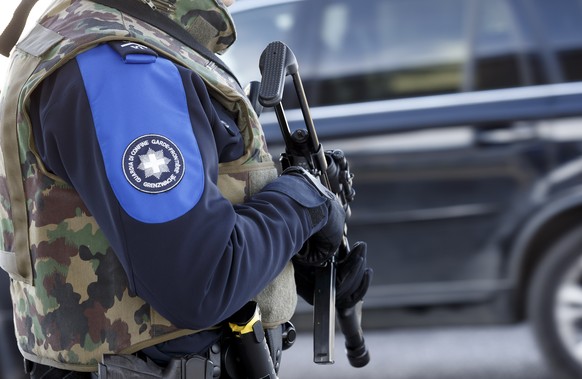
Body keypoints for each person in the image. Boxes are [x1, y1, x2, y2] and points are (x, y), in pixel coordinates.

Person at [0, 0, 372, 377]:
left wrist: (284, 252)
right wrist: (300, 203)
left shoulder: (119, 32)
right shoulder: (121, 66)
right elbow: (201, 281)